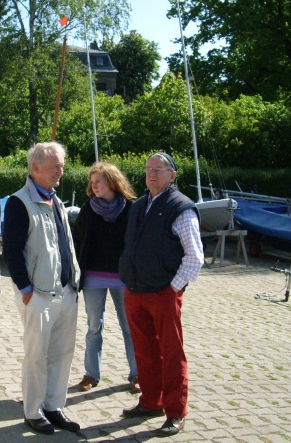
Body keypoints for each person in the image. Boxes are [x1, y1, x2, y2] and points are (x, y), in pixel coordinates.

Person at [118, 152, 204, 438]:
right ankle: (151, 401)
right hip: (135, 290)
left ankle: (176, 412)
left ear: (173, 175)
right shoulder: (139, 205)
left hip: (163, 293)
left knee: (171, 353)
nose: (152, 174)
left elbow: (195, 256)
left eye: (159, 169)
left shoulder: (181, 207)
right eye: (148, 169)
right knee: (144, 351)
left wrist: (173, 288)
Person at [3, 142, 81, 435]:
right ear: (35, 168)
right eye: (55, 166)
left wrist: (75, 283)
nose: (60, 171)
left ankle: (54, 406)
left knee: (62, 352)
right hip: (38, 294)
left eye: (62, 166)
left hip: (66, 291)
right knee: (36, 355)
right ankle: (33, 411)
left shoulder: (55, 200)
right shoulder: (18, 202)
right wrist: (25, 289)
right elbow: (11, 251)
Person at [72, 162, 140, 394]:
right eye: (92, 182)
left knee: (130, 327)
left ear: (112, 181)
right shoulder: (88, 208)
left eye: (98, 181)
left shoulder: (131, 208)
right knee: (94, 327)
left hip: (124, 278)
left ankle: (137, 374)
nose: (94, 186)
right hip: (93, 277)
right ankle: (91, 374)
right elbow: (77, 240)